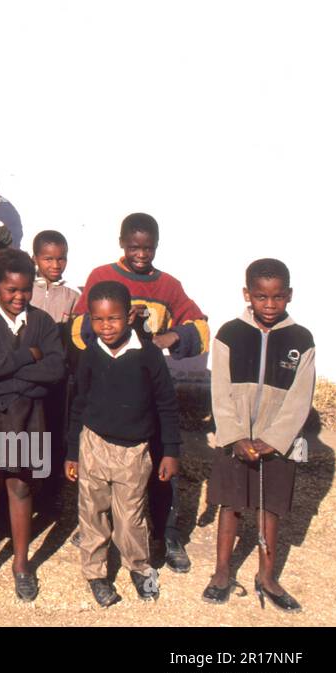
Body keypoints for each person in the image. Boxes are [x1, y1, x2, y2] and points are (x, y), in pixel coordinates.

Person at [71, 212, 208, 574]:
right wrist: (113, 326)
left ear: (156, 247)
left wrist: (169, 337)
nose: (141, 254)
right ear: (121, 244)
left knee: (161, 469)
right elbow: (77, 327)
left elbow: (200, 327)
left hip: (149, 388)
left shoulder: (168, 286)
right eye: (134, 247)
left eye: (148, 248)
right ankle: (96, 535)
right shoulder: (102, 277)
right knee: (101, 482)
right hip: (108, 385)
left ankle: (167, 533)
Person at [203, 258, 314, 613]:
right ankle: (222, 572)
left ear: (289, 295)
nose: (269, 305)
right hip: (235, 439)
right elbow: (219, 390)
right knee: (230, 505)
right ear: (247, 294)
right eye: (261, 297)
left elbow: (300, 397)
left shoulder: (301, 339)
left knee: (270, 510)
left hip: (276, 445)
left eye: (278, 297)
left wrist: (275, 439)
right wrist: (235, 436)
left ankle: (267, 577)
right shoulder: (229, 334)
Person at [65, 281, 180, 607]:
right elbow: (78, 404)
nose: (105, 327)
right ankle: (96, 574)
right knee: (93, 513)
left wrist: (170, 451)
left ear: (129, 316)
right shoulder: (89, 355)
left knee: (131, 517)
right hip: (94, 445)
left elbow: (167, 405)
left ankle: (139, 567)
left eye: (113, 319)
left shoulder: (149, 356)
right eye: (98, 320)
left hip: (134, 450)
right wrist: (72, 452)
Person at [0, 249, 66, 601]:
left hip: (29, 417)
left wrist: (9, 379)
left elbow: (55, 370)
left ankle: (21, 564)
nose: (19, 297)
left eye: (25, 290)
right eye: (11, 290)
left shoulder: (42, 322)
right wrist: (26, 357)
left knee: (22, 487)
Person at [31, 229, 79, 513]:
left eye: (61, 259)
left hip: (58, 378)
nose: (55, 265)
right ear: (36, 258)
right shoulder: (27, 290)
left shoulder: (72, 297)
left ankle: (50, 493)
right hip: (27, 374)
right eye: (48, 259)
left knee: (53, 429)